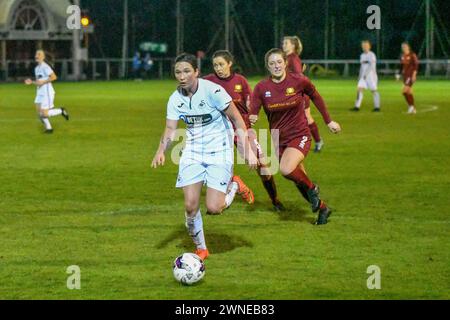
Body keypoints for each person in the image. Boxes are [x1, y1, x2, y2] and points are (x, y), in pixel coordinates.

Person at [151, 53, 258, 261]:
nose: (182, 76)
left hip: (220, 149)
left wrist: (248, 150)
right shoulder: (175, 99)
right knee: (190, 206)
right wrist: (160, 151)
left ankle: (234, 186)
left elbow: (237, 119)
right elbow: (171, 128)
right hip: (192, 151)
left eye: (186, 71)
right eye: (178, 72)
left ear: (197, 72)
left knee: (214, 208)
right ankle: (201, 248)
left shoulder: (213, 91)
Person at [250, 48, 341, 225]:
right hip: (278, 139)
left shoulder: (299, 81)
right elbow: (253, 110)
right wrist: (252, 116)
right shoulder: (262, 87)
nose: (276, 66)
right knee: (299, 179)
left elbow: (316, 97)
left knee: (286, 169)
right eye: (271, 63)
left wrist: (328, 121)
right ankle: (322, 208)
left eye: (279, 62)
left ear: (285, 63)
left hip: (300, 134)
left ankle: (314, 189)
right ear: (267, 67)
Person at [204, 50, 285, 211]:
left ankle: (275, 200)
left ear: (229, 64)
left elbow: (251, 102)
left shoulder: (240, 81)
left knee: (263, 167)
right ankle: (235, 183)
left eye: (221, 64)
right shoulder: (208, 82)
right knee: (207, 166)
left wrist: (253, 113)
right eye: (215, 65)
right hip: (219, 132)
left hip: (243, 130)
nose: (218, 68)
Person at [282, 36, 324, 153]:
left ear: (293, 46)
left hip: (298, 94)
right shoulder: (290, 58)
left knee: (303, 117)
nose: (283, 45)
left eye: (286, 43)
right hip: (295, 93)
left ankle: (315, 141)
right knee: (302, 117)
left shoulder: (292, 59)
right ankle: (315, 141)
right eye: (283, 43)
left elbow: (299, 77)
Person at [24, 50, 69, 134]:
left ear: (43, 57)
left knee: (44, 114)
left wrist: (43, 82)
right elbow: (39, 82)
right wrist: (32, 82)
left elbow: (54, 77)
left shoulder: (45, 67)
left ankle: (61, 110)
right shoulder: (36, 68)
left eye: (39, 54)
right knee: (39, 113)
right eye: (36, 54)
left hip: (46, 92)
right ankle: (49, 128)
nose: (36, 56)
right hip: (39, 92)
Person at [351, 40, 381, 112]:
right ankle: (357, 106)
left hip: (371, 77)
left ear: (369, 46)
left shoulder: (372, 55)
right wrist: (360, 76)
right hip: (363, 77)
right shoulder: (362, 55)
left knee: (374, 91)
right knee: (359, 89)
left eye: (366, 46)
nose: (364, 47)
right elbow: (362, 67)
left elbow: (372, 66)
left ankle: (377, 107)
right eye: (363, 46)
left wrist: (366, 74)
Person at [398, 42, 419, 114]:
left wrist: (414, 75)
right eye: (403, 47)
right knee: (409, 92)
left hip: (410, 76)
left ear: (408, 47)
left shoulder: (412, 55)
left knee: (404, 91)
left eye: (405, 46)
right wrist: (398, 74)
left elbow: (416, 66)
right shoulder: (402, 56)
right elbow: (401, 66)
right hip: (405, 76)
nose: (404, 48)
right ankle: (413, 109)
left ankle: (411, 107)